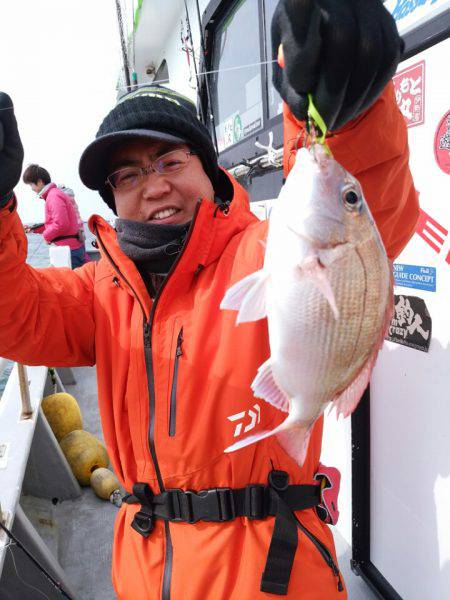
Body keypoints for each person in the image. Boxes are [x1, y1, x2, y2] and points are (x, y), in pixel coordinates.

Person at [0, 1, 419, 598]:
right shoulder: (98, 290)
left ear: (212, 172)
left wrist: (341, 112)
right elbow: (12, 313)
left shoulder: (262, 252)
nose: (154, 186)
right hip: (145, 574)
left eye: (171, 160)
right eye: (128, 176)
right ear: (112, 198)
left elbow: (362, 207)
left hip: (272, 576)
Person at [22, 163, 89, 268]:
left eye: (31, 184)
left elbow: (61, 224)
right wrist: (34, 229)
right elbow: (55, 223)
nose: (31, 188)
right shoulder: (53, 194)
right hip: (71, 248)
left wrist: (46, 235)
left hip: (69, 250)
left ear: (39, 182)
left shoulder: (53, 196)